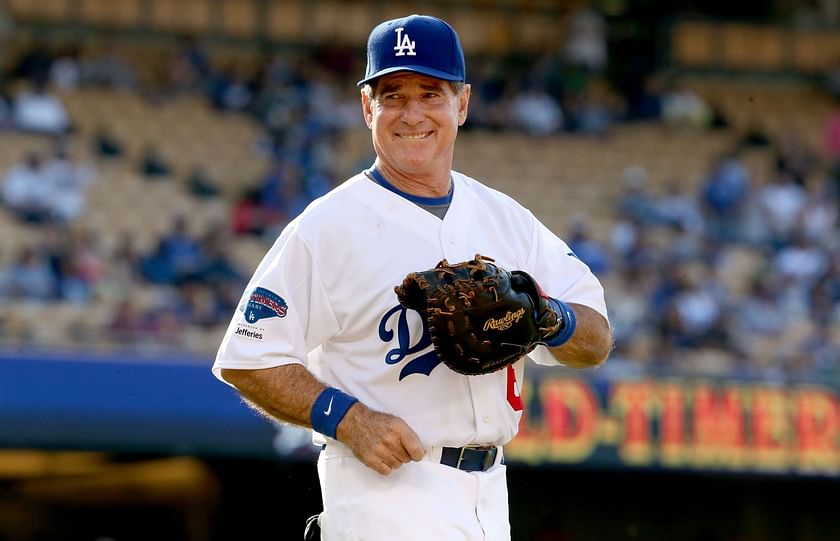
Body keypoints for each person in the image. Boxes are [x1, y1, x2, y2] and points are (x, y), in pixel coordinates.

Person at [212, 14, 612, 541]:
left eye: (430, 93)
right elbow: (248, 357)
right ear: (366, 108)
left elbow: (596, 338)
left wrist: (545, 315)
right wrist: (347, 419)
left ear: (462, 104)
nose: (411, 113)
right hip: (384, 494)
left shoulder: (504, 218)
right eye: (393, 95)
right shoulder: (326, 227)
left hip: (491, 494)